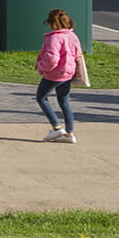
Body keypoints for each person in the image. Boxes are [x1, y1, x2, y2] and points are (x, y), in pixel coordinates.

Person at [34, 8, 84, 143]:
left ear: (51, 22)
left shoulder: (54, 38)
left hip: (54, 74)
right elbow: (78, 54)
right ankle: (70, 133)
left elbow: (52, 60)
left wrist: (41, 67)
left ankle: (56, 127)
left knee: (41, 97)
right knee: (64, 101)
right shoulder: (72, 35)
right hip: (68, 73)